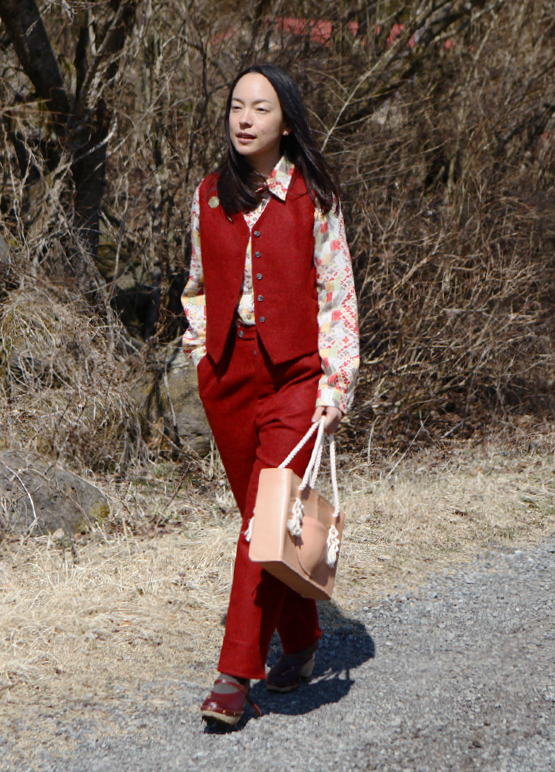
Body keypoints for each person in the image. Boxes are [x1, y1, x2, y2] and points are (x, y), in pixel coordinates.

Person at [181, 63, 359, 728]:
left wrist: (335, 385)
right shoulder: (208, 195)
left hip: (296, 381)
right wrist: (201, 352)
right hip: (228, 380)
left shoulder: (316, 196)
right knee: (267, 524)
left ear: (285, 120)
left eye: (260, 107)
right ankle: (304, 637)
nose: (245, 118)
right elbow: (197, 283)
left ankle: (233, 677)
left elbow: (338, 296)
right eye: (236, 106)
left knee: (261, 522)